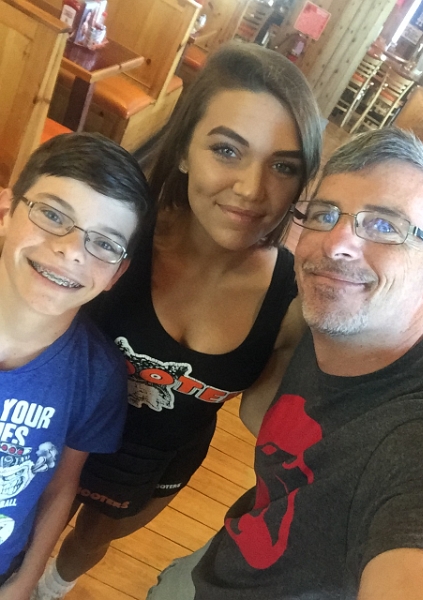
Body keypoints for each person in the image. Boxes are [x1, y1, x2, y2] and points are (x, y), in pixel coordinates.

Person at [34, 41, 323, 599]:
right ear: (186, 148)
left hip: (156, 460)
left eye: (283, 166)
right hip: (56, 426)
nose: (251, 189)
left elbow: (269, 421)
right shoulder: (117, 233)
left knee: (90, 542)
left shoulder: (292, 302)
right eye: (227, 150)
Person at [144, 127, 423, 599]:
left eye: (385, 226)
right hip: (227, 557)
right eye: (325, 215)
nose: (337, 243)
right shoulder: (318, 319)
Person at [0, 132, 150, 599]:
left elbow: (60, 487)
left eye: (104, 243)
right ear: (5, 210)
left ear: (116, 274)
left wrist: (25, 582)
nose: (71, 249)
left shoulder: (98, 376)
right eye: (52, 214)